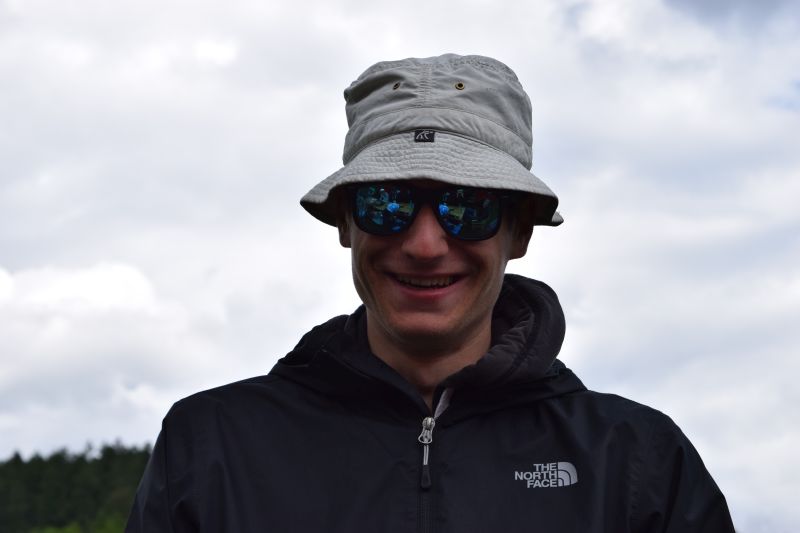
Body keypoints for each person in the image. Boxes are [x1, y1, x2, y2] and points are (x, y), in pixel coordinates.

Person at [126, 54, 735, 532]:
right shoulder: (210, 446)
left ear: (520, 231)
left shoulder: (638, 461)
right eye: (386, 202)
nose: (424, 244)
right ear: (346, 222)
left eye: (467, 205)